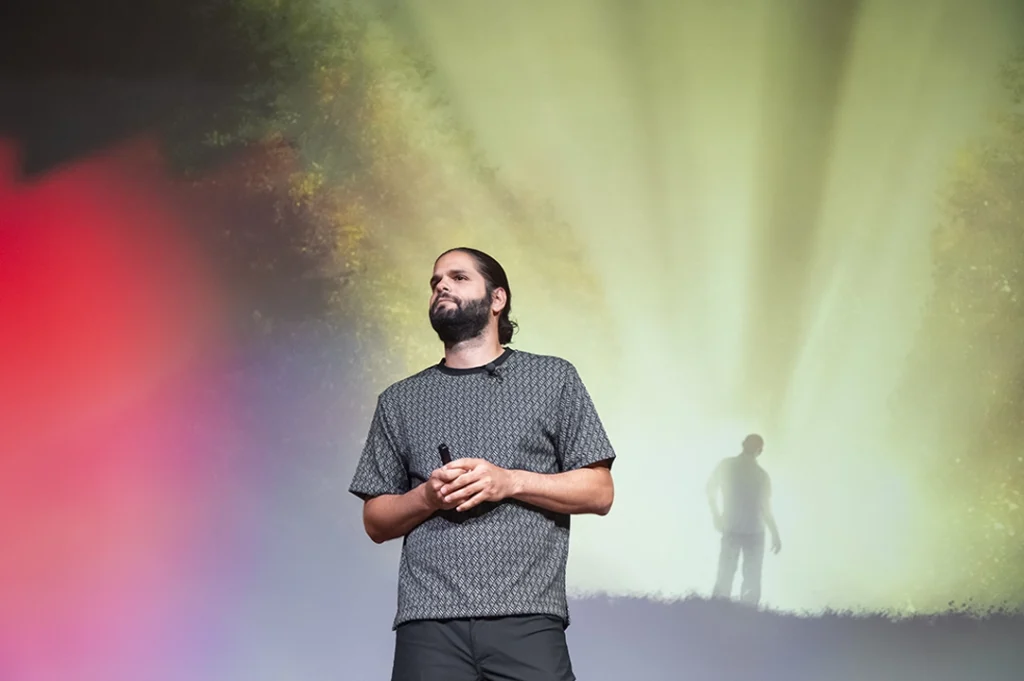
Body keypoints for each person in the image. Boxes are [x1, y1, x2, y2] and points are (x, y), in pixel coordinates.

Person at [349, 246, 616, 681]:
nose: (441, 286)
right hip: (428, 622)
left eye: (458, 277)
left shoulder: (552, 378)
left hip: (527, 616)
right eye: (435, 281)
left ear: (497, 299)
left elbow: (600, 492)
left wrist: (508, 481)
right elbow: (375, 521)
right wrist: (428, 496)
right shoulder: (400, 400)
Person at [706, 433, 781, 606]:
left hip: (739, 529)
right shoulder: (760, 475)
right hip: (749, 531)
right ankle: (744, 613)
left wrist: (716, 515)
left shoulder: (729, 466)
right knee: (747, 579)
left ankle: (719, 610)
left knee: (729, 575)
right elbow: (766, 508)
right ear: (760, 451)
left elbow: (710, 489)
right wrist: (775, 533)